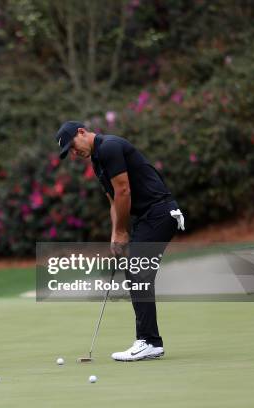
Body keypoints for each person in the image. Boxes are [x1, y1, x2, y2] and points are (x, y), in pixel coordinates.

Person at [55, 121, 185, 361]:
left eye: (73, 146)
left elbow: (124, 190)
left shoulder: (109, 147)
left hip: (159, 213)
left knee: (138, 272)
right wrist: (116, 234)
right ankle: (150, 341)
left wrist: (123, 231)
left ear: (82, 133)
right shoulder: (97, 161)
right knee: (136, 272)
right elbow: (114, 201)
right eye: (69, 152)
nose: (74, 153)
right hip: (146, 217)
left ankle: (148, 342)